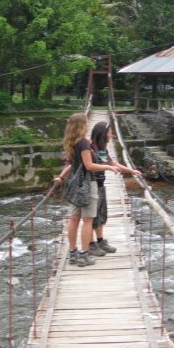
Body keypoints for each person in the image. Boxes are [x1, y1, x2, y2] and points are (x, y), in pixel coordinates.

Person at [54, 113, 118, 267]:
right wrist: (109, 167)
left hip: (74, 185)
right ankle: (84, 253)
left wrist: (61, 177)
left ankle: (73, 252)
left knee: (74, 219)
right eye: (86, 122)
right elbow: (90, 166)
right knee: (87, 220)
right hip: (87, 184)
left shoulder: (72, 142)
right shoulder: (83, 143)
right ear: (82, 125)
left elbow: (73, 164)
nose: (88, 124)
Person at [88, 121, 141, 255]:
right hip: (90, 186)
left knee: (101, 214)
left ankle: (100, 241)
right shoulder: (90, 148)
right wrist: (108, 167)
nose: (112, 135)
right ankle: (90, 244)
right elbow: (93, 166)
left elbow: (111, 162)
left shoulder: (101, 148)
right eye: (110, 132)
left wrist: (131, 170)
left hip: (100, 185)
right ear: (103, 133)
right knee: (90, 217)